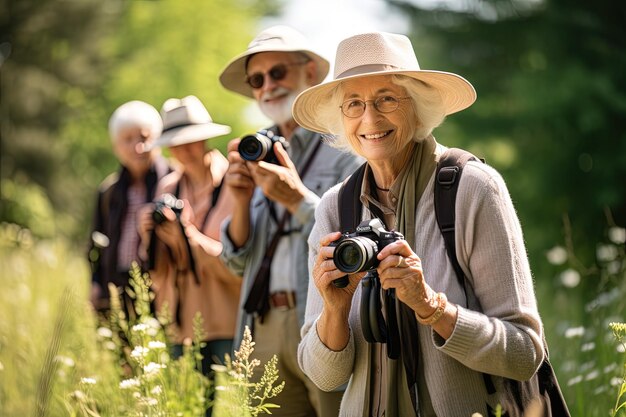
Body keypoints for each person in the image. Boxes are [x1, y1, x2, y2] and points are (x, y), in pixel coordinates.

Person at [293, 32, 545, 417]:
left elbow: (525, 352)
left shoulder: (472, 189)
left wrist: (430, 306)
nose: (370, 118)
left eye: (386, 99)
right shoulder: (334, 208)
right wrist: (334, 310)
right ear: (341, 119)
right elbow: (324, 377)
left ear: (419, 106)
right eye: (354, 104)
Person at [218, 25, 363, 417]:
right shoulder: (256, 151)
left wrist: (297, 200)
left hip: (322, 322)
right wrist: (239, 200)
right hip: (262, 326)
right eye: (257, 79)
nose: (268, 86)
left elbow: (357, 245)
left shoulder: (346, 149)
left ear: (311, 73)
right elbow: (234, 260)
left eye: (277, 72)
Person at [136, 95, 241, 385]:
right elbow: (158, 270)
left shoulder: (235, 182)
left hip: (227, 320)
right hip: (181, 323)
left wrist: (188, 236)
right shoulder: (167, 187)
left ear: (206, 139)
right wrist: (150, 237)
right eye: (175, 142)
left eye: (191, 140)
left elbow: (238, 263)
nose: (184, 150)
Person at [88, 100, 171, 316]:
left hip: (161, 286)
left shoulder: (174, 181)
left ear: (158, 139)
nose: (138, 147)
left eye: (144, 138)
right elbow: (96, 243)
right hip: (116, 286)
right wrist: (95, 283)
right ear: (116, 146)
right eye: (127, 140)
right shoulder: (109, 191)